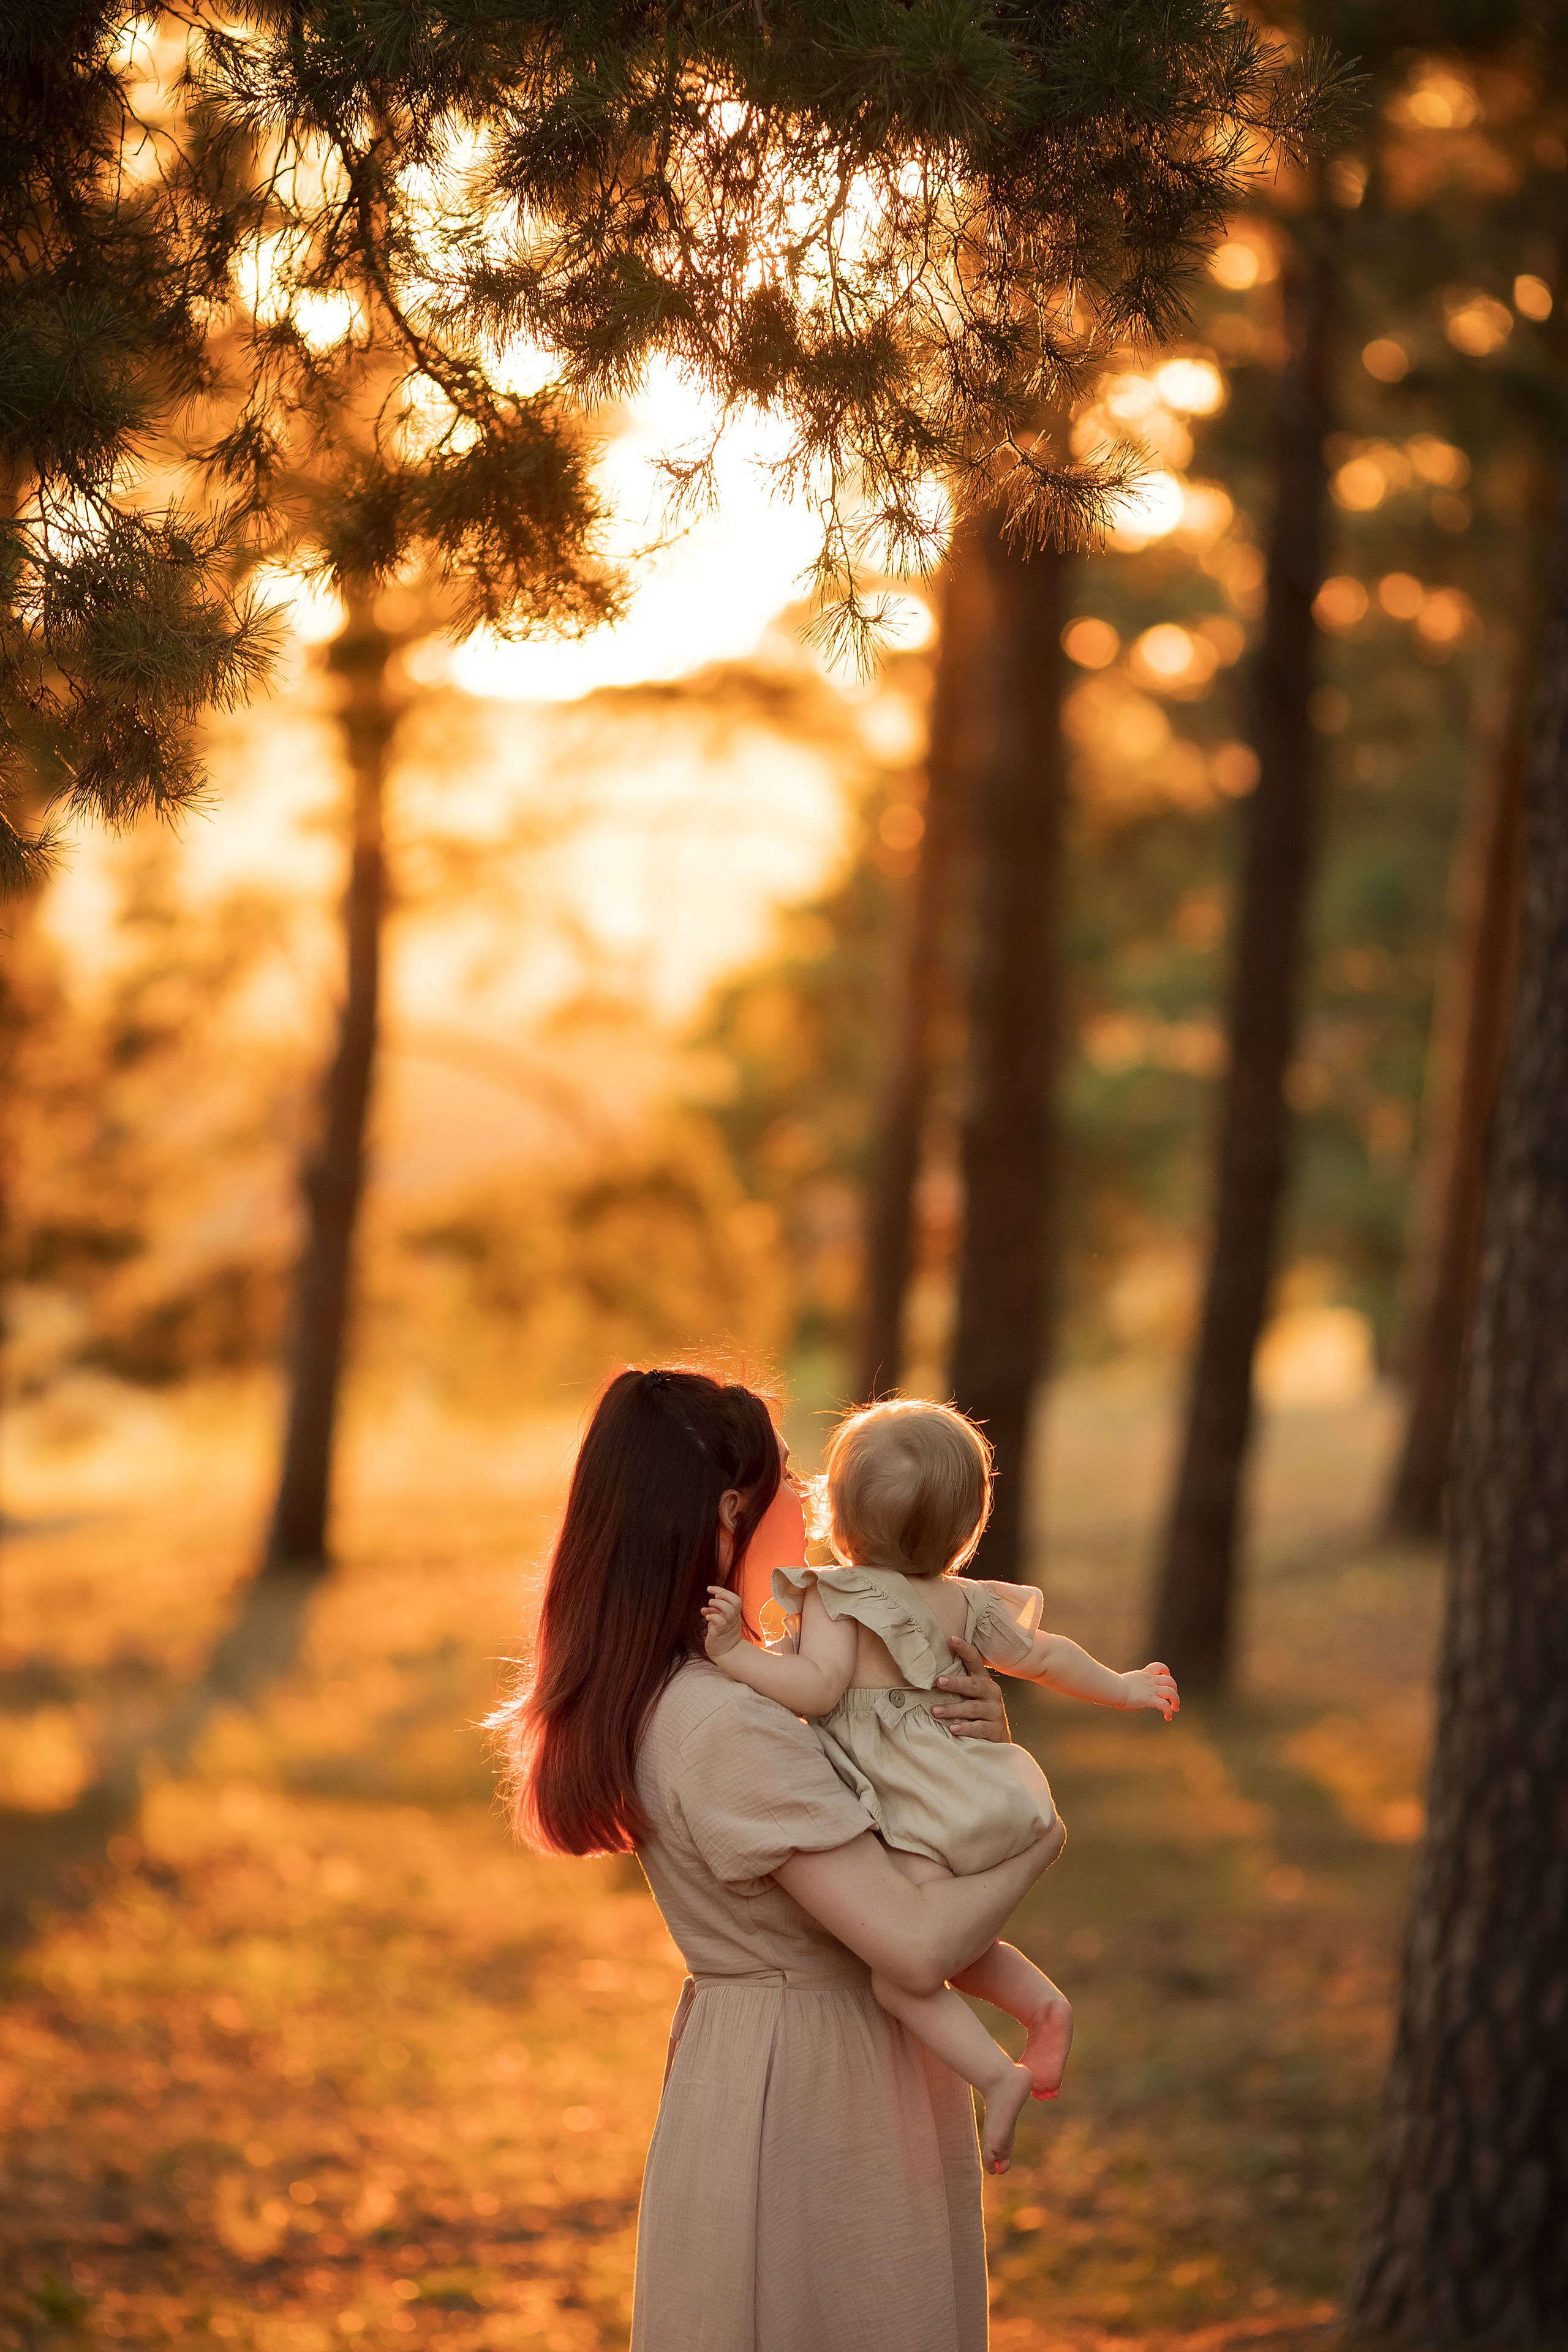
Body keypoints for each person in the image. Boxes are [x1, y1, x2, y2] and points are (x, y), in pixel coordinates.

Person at [494, 1366, 1063, 2352]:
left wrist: (968, 1748)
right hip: (817, 2097)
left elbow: (899, 1831)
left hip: (784, 2070)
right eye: (792, 1488)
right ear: (729, 1515)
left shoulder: (730, 1690)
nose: (815, 1515)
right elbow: (917, 1946)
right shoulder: (725, 1725)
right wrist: (1040, 1833)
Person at [702, 1396, 1179, 2173]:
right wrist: (1123, 1688)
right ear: (968, 1526)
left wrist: (733, 1655)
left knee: (905, 1971)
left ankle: (997, 2073)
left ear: (842, 1517)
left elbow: (818, 1690)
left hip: (912, 1809)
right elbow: (1049, 1658)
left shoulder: (834, 1593)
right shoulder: (967, 1601)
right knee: (963, 1938)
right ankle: (1043, 2006)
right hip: (981, 1793)